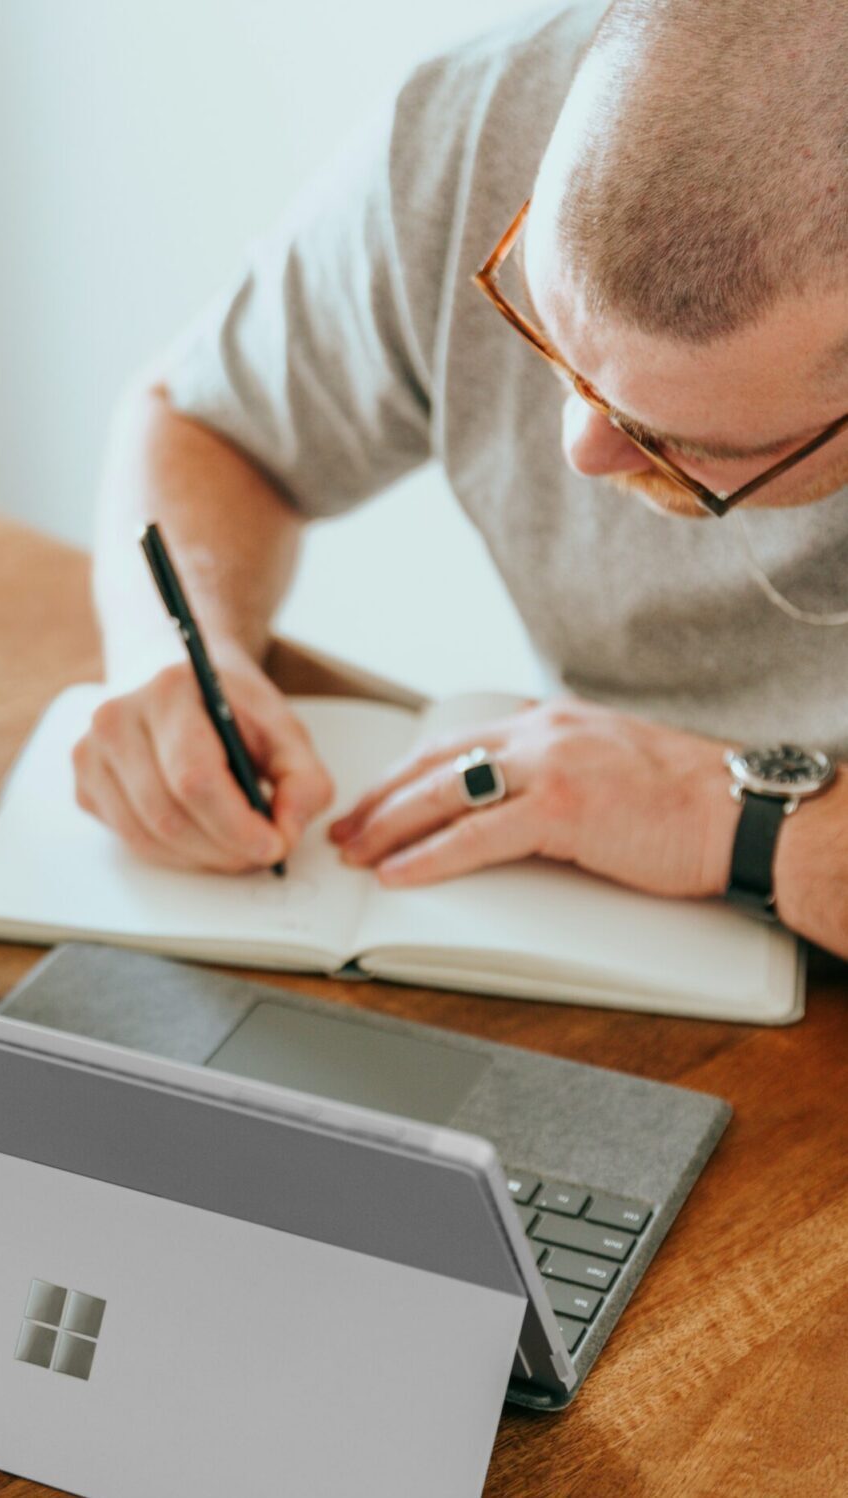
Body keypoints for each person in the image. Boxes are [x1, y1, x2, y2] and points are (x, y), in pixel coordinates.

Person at [73, 0, 848, 961]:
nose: (581, 446)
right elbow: (200, 423)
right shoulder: (478, 125)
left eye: (676, 443)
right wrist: (173, 657)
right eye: (548, 338)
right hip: (584, 915)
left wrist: (730, 820)